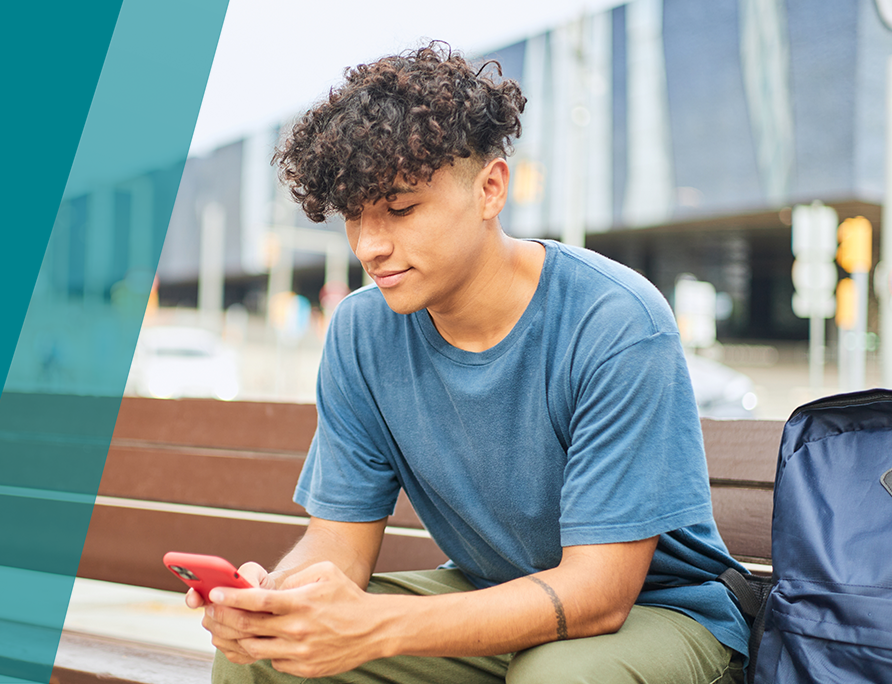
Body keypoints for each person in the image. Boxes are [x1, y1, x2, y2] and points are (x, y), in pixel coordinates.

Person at [187, 43, 750, 683]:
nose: (370, 245)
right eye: (353, 216)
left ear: (490, 188)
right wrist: (273, 604)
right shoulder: (362, 331)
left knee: (557, 679)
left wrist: (375, 628)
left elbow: (600, 593)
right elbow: (339, 541)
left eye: (400, 208)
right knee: (267, 659)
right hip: (493, 594)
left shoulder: (613, 320)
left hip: (660, 612)